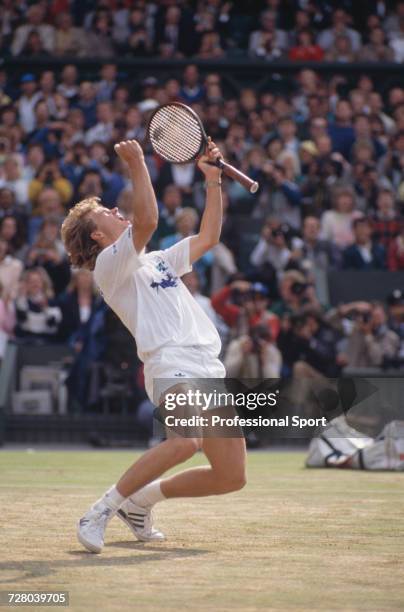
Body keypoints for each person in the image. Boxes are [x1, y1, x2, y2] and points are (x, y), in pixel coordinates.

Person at [61, 139, 246, 553]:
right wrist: (139, 164)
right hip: (170, 363)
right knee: (184, 441)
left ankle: (140, 502)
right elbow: (145, 219)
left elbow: (209, 236)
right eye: (106, 213)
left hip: (207, 366)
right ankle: (101, 510)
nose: (115, 211)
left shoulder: (159, 258)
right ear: (96, 233)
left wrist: (213, 181)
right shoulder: (109, 266)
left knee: (231, 476)